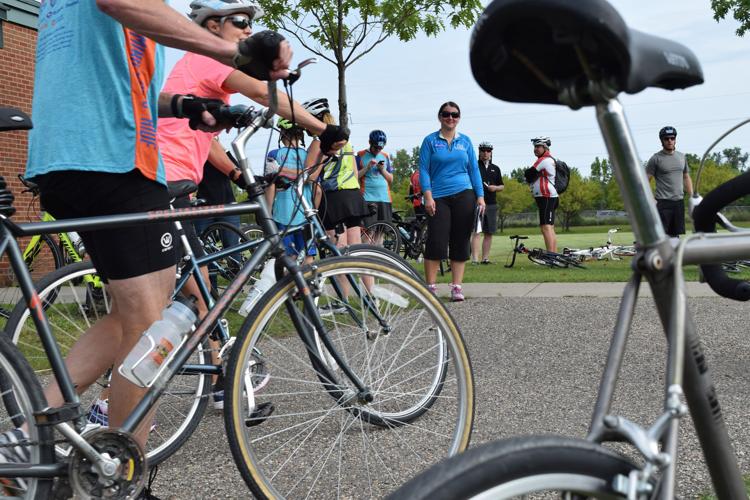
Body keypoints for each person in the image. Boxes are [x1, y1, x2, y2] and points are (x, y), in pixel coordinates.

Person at [17, 0, 291, 479]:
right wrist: (236, 53)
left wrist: (182, 106)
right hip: (112, 155)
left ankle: (24, 438)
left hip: (72, 150)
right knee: (152, 325)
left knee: (134, 312)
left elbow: (109, 83)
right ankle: (120, 479)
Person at [303, 97, 370, 314]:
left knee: (337, 253)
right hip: (353, 196)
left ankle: (342, 301)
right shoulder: (346, 141)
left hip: (334, 199)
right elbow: (352, 169)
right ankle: (370, 298)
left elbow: (309, 175)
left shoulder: (318, 141)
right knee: (357, 252)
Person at [419, 101, 485, 302]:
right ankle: (430, 287)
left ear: (459, 118)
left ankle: (456, 287)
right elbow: (423, 169)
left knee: (460, 240)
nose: (450, 118)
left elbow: (474, 169)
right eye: (446, 114)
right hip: (438, 197)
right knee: (437, 240)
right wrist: (427, 196)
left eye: (455, 115)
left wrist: (480, 196)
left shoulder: (465, 141)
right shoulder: (430, 141)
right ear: (440, 117)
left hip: (464, 194)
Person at [266, 118, 316, 263]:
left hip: (282, 213)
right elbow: (317, 190)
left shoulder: (274, 154)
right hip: (305, 213)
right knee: (308, 255)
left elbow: (270, 186)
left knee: (288, 257)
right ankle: (309, 285)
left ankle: (290, 286)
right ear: (301, 136)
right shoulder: (309, 156)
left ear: (282, 133)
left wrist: (268, 213)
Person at [646, 126, 694, 237]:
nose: (669, 141)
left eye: (672, 138)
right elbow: (645, 181)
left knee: (676, 235)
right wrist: (651, 198)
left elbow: (686, 177)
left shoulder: (681, 157)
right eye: (666, 139)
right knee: (663, 235)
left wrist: (692, 196)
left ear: (675, 139)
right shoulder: (656, 159)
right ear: (661, 141)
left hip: (678, 202)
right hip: (663, 203)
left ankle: (675, 254)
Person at [471, 141, 504, 264]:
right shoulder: (474, 166)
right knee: (477, 231)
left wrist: (495, 188)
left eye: (488, 151)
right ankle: (474, 259)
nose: (486, 153)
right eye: (483, 150)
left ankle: (485, 258)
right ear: (479, 152)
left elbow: (502, 186)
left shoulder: (495, 168)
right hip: (477, 203)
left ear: (491, 153)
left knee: (489, 232)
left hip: (491, 203)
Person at [527, 136, 559, 252]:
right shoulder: (547, 159)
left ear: (545, 147)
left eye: (538, 146)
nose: (535, 149)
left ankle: (551, 256)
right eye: (534, 147)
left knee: (546, 227)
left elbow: (529, 174)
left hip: (546, 196)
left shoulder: (544, 160)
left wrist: (531, 175)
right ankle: (554, 254)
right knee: (549, 227)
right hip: (548, 196)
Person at [357, 130, 394, 229]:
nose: (378, 150)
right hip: (368, 198)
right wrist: (367, 168)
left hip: (384, 198)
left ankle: (378, 246)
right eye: (376, 147)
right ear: (370, 143)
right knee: (368, 231)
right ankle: (367, 246)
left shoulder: (385, 156)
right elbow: (354, 176)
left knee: (381, 231)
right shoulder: (360, 155)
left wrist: (382, 170)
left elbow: (391, 179)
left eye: (381, 148)